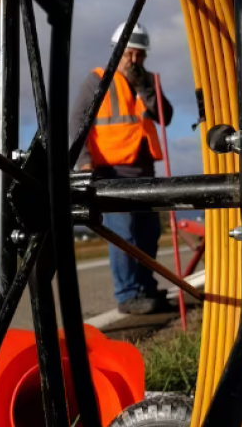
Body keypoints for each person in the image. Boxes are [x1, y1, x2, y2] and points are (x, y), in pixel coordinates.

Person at [70, 22, 174, 315]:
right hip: (111, 171)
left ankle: (144, 286)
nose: (133, 60)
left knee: (149, 231)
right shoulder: (97, 80)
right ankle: (128, 294)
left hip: (144, 170)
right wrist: (84, 162)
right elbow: (78, 122)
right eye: (129, 54)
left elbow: (165, 117)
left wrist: (145, 88)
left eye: (139, 55)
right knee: (124, 234)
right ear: (118, 51)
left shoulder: (148, 81)